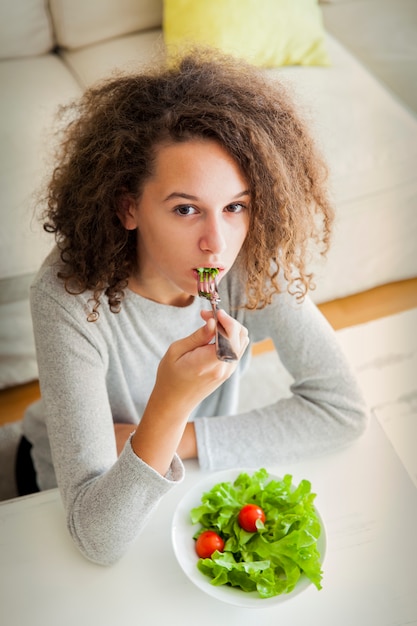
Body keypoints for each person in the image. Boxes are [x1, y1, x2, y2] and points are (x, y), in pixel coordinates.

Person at [17, 49, 368, 565]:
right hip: (66, 491)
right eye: (186, 209)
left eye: (235, 207)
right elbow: (96, 538)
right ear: (128, 207)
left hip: (185, 473)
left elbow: (343, 411)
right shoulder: (68, 298)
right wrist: (170, 403)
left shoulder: (248, 264)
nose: (216, 244)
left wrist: (174, 437)